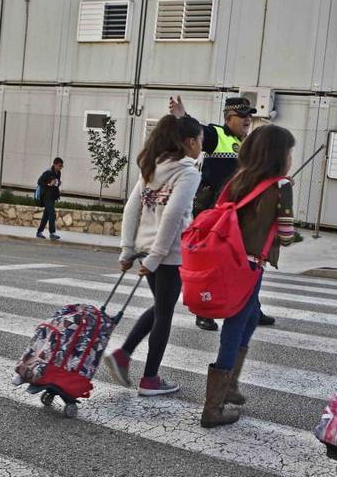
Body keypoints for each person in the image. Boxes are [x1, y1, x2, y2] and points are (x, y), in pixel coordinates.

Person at [201, 124, 296, 428]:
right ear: (278, 155)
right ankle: (213, 407)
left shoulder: (238, 179)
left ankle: (228, 385)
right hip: (250, 266)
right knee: (237, 323)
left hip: (229, 261)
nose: (291, 157)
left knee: (250, 317)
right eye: (289, 151)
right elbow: (286, 234)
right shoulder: (280, 186)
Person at [104, 115, 203, 396]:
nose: (201, 147)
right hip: (168, 253)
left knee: (162, 305)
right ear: (190, 141)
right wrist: (157, 257)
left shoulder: (153, 167)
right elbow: (172, 214)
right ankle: (150, 379)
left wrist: (129, 249)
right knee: (165, 311)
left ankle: (123, 355)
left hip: (149, 249)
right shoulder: (187, 172)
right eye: (200, 141)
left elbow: (131, 208)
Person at [169, 95, 277, 331]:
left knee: (247, 264)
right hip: (214, 215)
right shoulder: (218, 136)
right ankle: (203, 312)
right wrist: (182, 116)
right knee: (212, 266)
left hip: (241, 215)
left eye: (250, 115)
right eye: (242, 116)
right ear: (229, 118)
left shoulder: (250, 143)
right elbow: (198, 131)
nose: (248, 119)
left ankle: (252, 310)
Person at [36, 158, 63, 240]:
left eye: (62, 166)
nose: (60, 167)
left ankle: (39, 232)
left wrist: (58, 183)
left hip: (52, 196)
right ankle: (52, 233)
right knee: (52, 213)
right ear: (54, 164)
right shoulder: (48, 172)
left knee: (46, 215)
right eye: (59, 166)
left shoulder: (58, 173)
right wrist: (48, 184)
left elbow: (55, 183)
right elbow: (39, 182)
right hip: (46, 196)